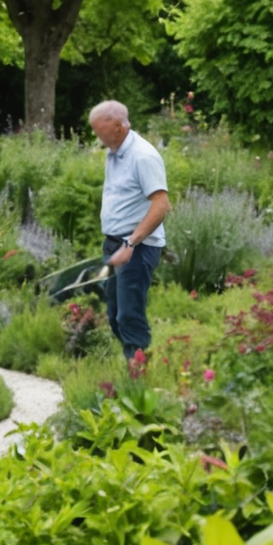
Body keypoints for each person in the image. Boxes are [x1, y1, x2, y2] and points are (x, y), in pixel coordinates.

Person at [90, 100, 171, 361]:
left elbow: (161, 205)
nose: (96, 137)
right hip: (116, 245)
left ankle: (140, 380)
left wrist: (130, 244)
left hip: (137, 247)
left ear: (117, 126)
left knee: (129, 315)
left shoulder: (143, 156)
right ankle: (137, 363)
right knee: (115, 314)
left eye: (98, 130)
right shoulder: (113, 153)